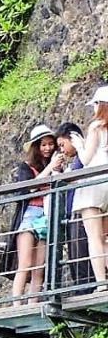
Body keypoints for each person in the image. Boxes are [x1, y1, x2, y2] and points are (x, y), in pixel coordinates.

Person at [4, 124, 62, 304]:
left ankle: (33, 304)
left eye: (50, 144)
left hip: (46, 215)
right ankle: (16, 305)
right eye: (43, 145)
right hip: (29, 215)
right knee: (25, 263)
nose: (47, 148)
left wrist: (57, 170)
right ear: (36, 147)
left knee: (39, 267)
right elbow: (29, 187)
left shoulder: (54, 167)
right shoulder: (26, 167)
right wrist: (50, 168)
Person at [69, 87, 108, 285]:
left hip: (94, 182)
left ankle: (101, 283)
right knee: (106, 237)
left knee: (95, 237)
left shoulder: (96, 126)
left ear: (99, 105)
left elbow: (85, 159)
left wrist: (78, 145)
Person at [55, 122, 95, 291]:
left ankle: (86, 290)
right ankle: (83, 289)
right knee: (76, 256)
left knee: (80, 255)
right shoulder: (78, 160)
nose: (62, 150)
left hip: (81, 211)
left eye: (62, 144)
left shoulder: (84, 157)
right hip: (75, 213)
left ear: (73, 138)